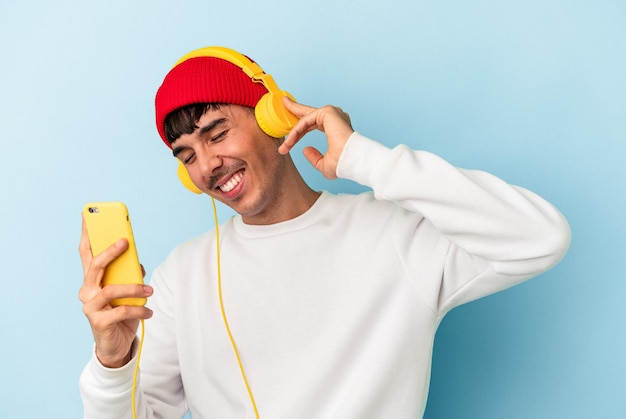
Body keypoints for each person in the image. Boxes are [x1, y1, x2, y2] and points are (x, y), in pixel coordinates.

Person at [78, 46, 571, 418]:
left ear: (274, 116)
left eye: (217, 133)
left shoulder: (394, 235)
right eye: (186, 155)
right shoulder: (180, 277)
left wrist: (362, 156)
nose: (206, 165)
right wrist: (113, 362)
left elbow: (539, 237)